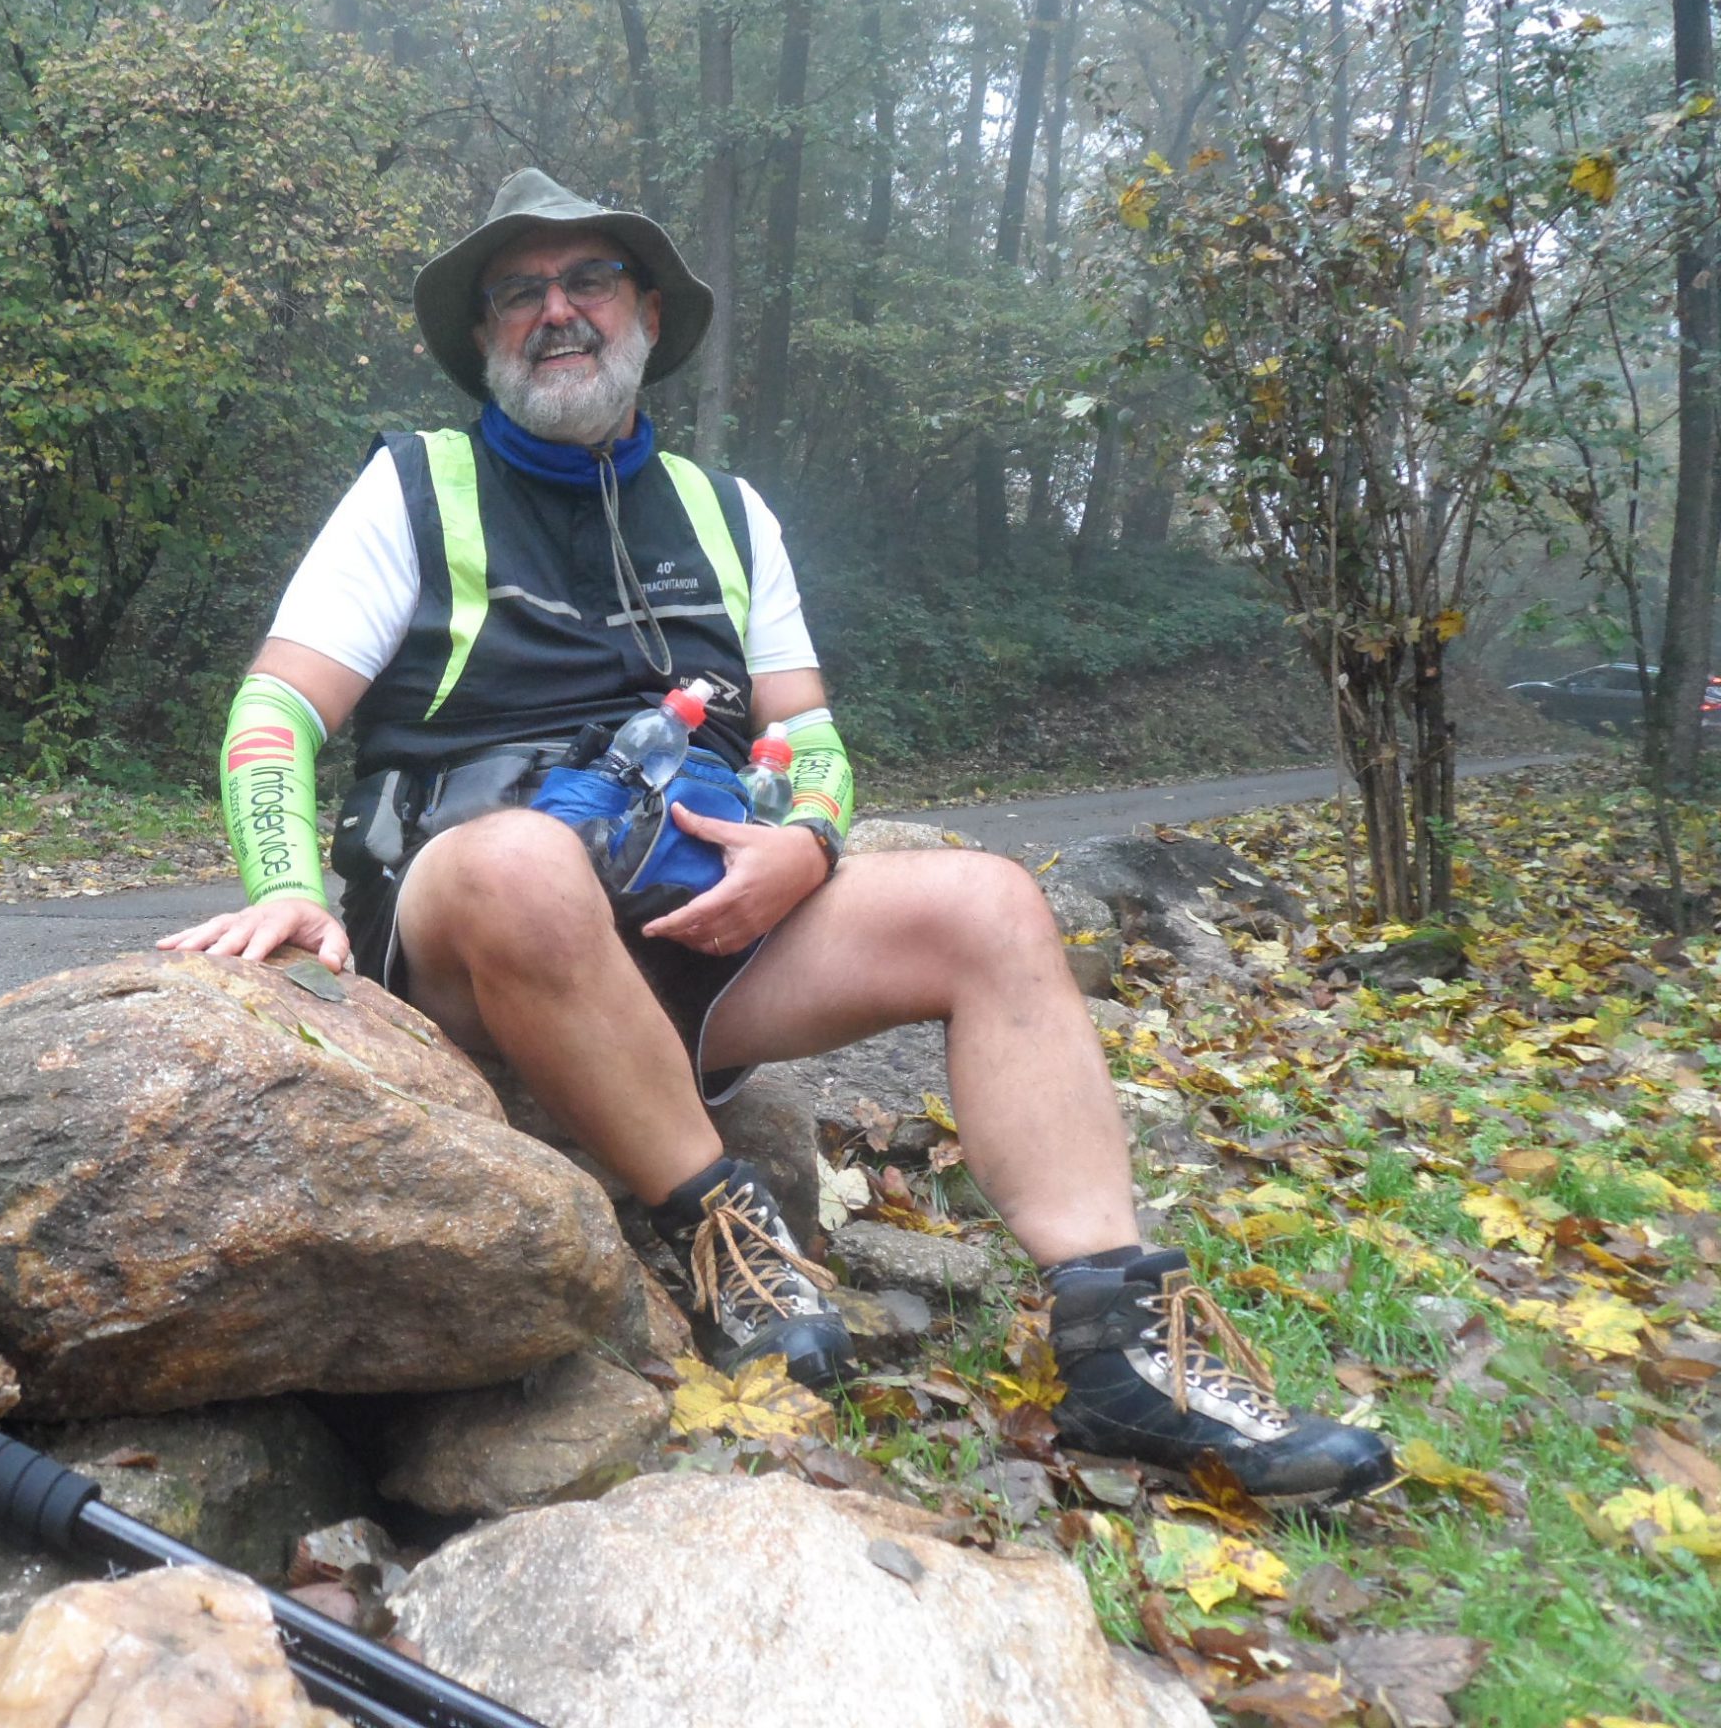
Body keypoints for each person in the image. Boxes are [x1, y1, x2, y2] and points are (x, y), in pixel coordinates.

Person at [162, 170, 1395, 1507]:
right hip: (479, 932)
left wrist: (807, 843)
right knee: (525, 860)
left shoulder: (730, 511)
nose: (555, 312)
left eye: (587, 282)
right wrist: (285, 885)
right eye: (519, 292)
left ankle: (1121, 1346)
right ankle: (722, 1234)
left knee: (989, 902)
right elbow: (277, 708)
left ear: (644, 312)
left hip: (705, 934)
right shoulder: (414, 486)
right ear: (482, 337)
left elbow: (806, 734)